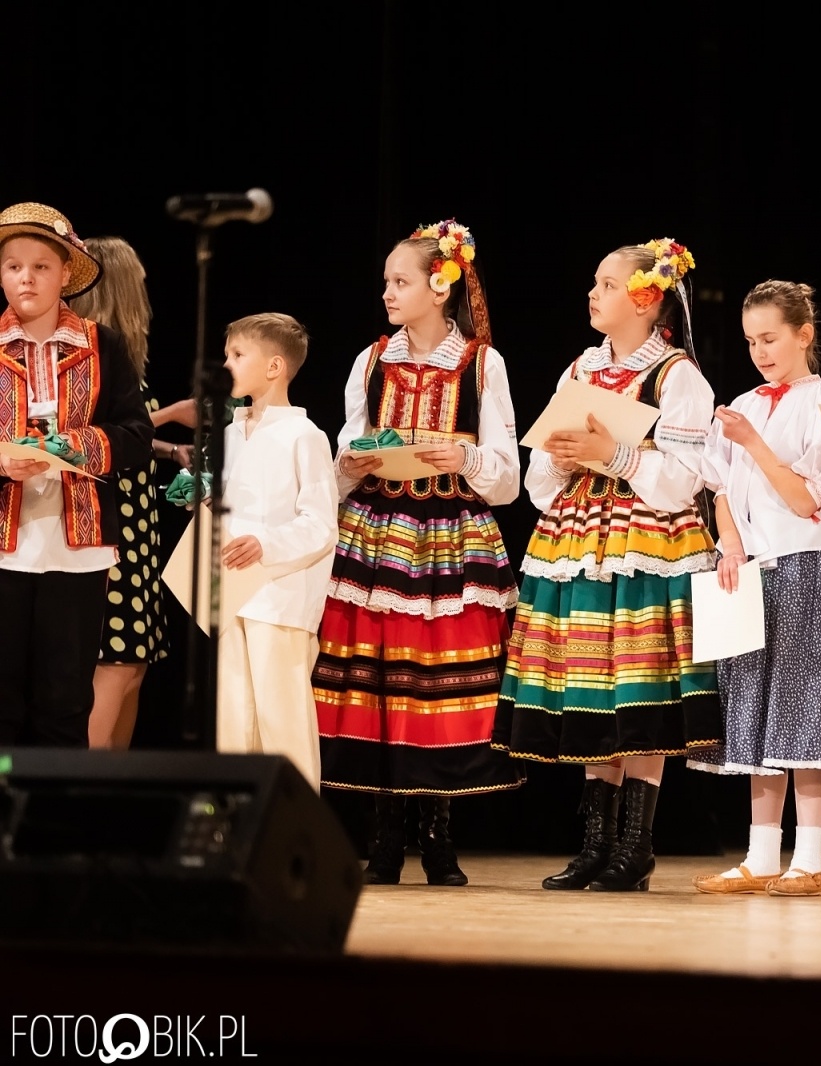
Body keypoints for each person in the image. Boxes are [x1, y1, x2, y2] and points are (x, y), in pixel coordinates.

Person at [497, 238, 719, 893]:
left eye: (607, 283)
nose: (593, 294)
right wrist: (564, 459)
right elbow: (540, 480)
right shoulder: (581, 369)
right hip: (577, 538)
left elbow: (685, 481)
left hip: (646, 541)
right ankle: (595, 843)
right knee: (591, 684)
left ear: (646, 298)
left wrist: (613, 453)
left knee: (638, 687)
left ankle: (636, 846)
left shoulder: (677, 375)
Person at [316, 219, 523, 886]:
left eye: (400, 281)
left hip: (449, 534)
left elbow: (509, 478)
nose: (387, 293)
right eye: (385, 282)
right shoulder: (371, 360)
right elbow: (345, 456)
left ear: (441, 287)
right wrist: (352, 460)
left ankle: (438, 833)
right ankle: (384, 836)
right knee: (379, 679)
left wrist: (462, 456)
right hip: (378, 533)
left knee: (433, 682)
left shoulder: (482, 363)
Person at [689, 280, 821, 897]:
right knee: (756, 711)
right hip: (753, 568)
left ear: (804, 334)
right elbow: (718, 486)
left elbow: (802, 498)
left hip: (808, 566)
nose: (760, 351)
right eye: (750, 341)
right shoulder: (744, 400)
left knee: (805, 711)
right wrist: (729, 541)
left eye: (770, 338)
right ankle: (761, 854)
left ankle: (809, 859)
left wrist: (754, 443)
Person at [0, 202, 152, 747]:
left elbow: (135, 436)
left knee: (65, 702)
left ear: (66, 274)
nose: (26, 277)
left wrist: (75, 447)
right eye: (14, 265)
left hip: (77, 546)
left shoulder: (102, 344)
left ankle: (53, 827)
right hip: (4, 546)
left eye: (41, 266)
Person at [72, 236, 191, 749]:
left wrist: (168, 451)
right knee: (114, 661)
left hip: (138, 528)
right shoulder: (86, 350)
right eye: (138, 283)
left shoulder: (120, 355)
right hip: (106, 524)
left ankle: (112, 796)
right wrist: (170, 414)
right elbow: (84, 431)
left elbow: (128, 436)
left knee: (134, 663)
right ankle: (83, 793)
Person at [215, 314, 338, 787]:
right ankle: (234, 830)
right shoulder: (231, 433)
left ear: (274, 367)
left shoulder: (304, 436)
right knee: (232, 717)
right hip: (233, 591)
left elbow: (320, 523)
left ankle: (298, 835)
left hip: (281, 596)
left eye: (237, 356)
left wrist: (266, 543)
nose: (226, 364)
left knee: (281, 719)